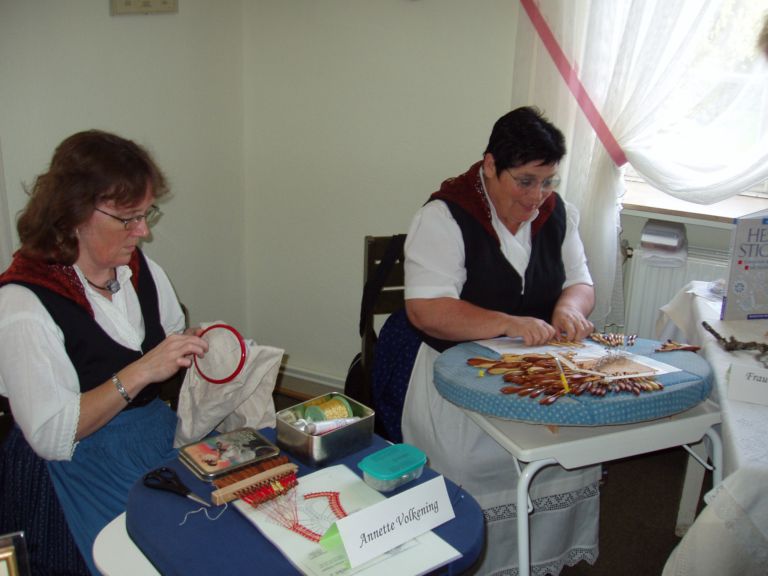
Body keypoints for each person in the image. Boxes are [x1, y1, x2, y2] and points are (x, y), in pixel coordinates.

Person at [401, 107, 600, 574]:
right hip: (458, 381)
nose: (536, 197)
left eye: (547, 182)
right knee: (469, 467)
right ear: (490, 165)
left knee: (575, 457)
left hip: (537, 374)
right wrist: (507, 322)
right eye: (525, 181)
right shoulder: (444, 216)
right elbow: (425, 310)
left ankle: (540, 559)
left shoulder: (557, 213)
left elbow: (581, 281)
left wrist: (570, 308)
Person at [0, 130, 209, 575]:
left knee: (209, 528)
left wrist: (198, 347)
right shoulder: (24, 303)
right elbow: (52, 435)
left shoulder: (142, 270)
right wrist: (141, 371)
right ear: (74, 213)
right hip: (76, 464)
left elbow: (168, 341)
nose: (144, 231)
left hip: (151, 435)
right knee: (151, 557)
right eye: (128, 218)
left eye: (145, 214)